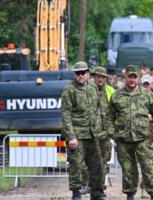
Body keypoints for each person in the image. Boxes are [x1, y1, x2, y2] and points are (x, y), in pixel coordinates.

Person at [107, 65, 153, 200]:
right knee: (128, 171)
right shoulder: (116, 96)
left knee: (148, 170)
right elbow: (109, 117)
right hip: (123, 140)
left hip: (143, 139)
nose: (132, 80)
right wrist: (113, 134)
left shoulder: (147, 95)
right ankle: (130, 195)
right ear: (125, 77)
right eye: (130, 76)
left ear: (139, 78)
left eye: (135, 77)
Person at [60, 62, 107, 200]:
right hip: (77, 135)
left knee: (97, 165)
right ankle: (76, 193)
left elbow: (98, 109)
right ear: (74, 74)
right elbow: (66, 115)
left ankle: (97, 193)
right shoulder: (69, 90)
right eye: (78, 73)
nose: (81, 75)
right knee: (76, 165)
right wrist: (71, 136)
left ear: (88, 73)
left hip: (92, 135)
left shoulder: (93, 87)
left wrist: (100, 128)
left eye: (83, 73)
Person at [90, 66, 116, 179]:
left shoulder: (111, 91)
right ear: (94, 77)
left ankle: (99, 187)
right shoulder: (87, 90)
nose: (100, 79)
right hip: (90, 133)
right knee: (89, 161)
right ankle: (89, 184)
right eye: (98, 77)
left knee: (104, 160)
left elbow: (117, 111)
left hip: (105, 133)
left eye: (103, 77)